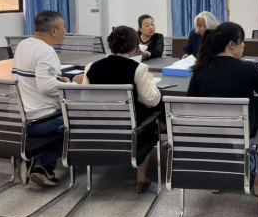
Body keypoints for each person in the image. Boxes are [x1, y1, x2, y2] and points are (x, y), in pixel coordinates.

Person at [187, 22, 258, 195]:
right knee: (256, 129)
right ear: (231, 44)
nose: (244, 45)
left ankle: (217, 180)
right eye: (241, 41)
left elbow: (191, 101)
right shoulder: (248, 68)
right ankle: (256, 185)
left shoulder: (201, 68)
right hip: (242, 133)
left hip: (210, 133)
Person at [82, 26, 163, 194]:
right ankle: (141, 178)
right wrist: (150, 81)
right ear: (134, 47)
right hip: (132, 129)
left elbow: (85, 101)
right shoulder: (138, 69)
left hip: (100, 128)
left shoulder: (91, 67)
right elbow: (151, 101)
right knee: (151, 116)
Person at [13, 11, 71, 188]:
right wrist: (71, 85)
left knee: (66, 117)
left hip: (22, 117)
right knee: (83, 120)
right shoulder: (46, 51)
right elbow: (46, 87)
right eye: (63, 27)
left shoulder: (24, 45)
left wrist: (58, 80)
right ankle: (38, 162)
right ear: (53, 31)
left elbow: (36, 79)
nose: (65, 30)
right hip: (41, 120)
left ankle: (43, 168)